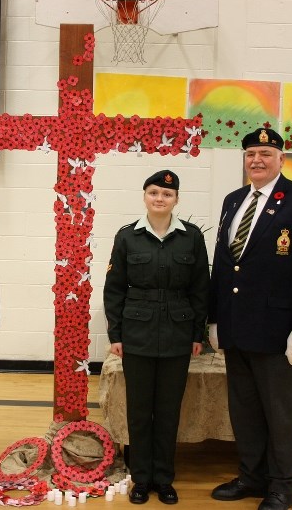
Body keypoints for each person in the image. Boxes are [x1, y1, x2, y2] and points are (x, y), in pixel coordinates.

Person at [208, 128, 292, 510]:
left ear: (280, 157)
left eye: (265, 153)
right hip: (236, 327)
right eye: (250, 154)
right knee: (244, 409)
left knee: (281, 412)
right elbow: (225, 266)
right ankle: (252, 475)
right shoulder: (234, 200)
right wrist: (215, 319)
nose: (256, 160)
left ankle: (282, 484)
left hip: (278, 331)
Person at [103, 170, 210, 506]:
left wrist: (198, 334)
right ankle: (141, 478)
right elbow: (115, 289)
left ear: (176, 199)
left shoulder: (191, 237)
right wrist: (115, 334)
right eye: (153, 193)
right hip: (137, 333)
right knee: (139, 410)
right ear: (145, 196)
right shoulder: (127, 237)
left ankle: (163, 479)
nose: (159, 199)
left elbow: (200, 290)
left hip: (178, 333)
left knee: (167, 411)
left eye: (166, 194)